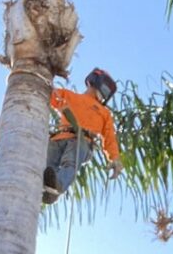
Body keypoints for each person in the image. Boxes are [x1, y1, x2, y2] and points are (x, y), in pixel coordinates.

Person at [42, 67, 122, 204]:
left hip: (81, 140)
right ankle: (45, 189)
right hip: (59, 137)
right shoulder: (70, 96)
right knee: (46, 166)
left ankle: (57, 186)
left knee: (70, 164)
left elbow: (109, 137)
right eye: (105, 87)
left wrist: (114, 158)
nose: (104, 92)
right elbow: (49, 95)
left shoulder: (104, 113)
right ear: (94, 80)